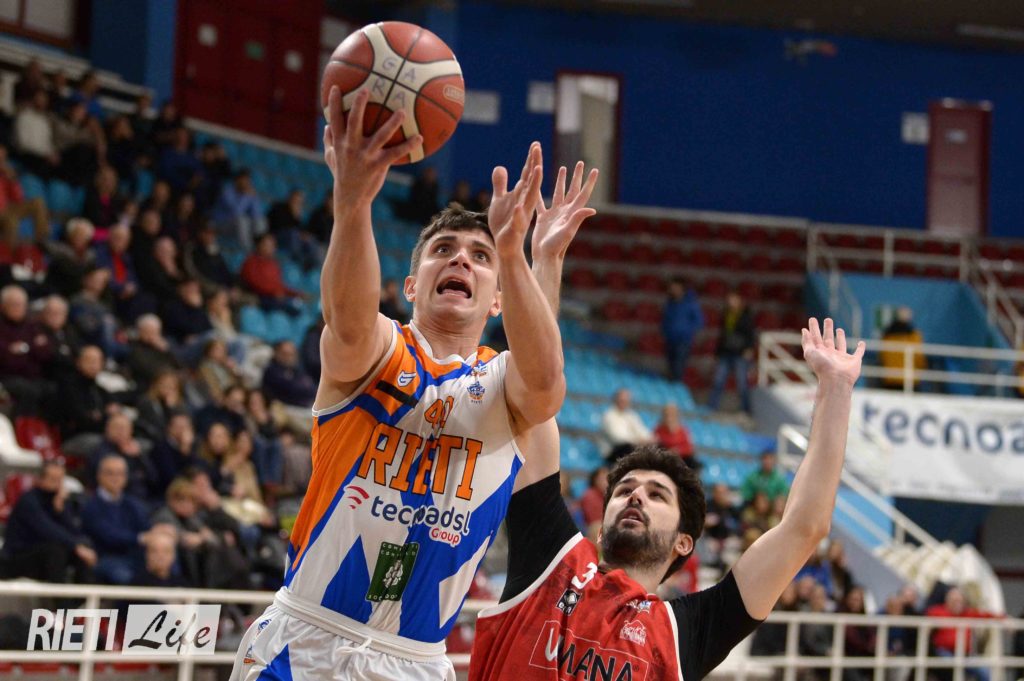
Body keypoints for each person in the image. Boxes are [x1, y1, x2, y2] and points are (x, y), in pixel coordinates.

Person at [230, 88, 581, 681]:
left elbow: (545, 383)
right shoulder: (379, 347)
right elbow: (346, 320)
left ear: (498, 299)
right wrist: (353, 201)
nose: (461, 260)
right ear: (412, 285)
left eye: (480, 256)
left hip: (413, 661)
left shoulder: (504, 384)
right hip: (303, 642)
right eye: (443, 250)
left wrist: (522, 255)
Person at [468, 318, 865, 680]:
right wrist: (535, 270)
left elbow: (804, 527)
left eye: (656, 495)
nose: (636, 495)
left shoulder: (686, 632)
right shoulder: (551, 565)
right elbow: (535, 395)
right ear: (601, 530)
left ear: (683, 542)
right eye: (624, 490)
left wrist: (836, 387)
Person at [0, 461, 96, 583]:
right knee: (57, 550)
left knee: (83, 548)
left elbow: (74, 533)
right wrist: (76, 547)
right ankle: (59, 594)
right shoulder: (28, 501)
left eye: (60, 480)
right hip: (17, 557)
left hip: (44, 556)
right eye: (52, 479)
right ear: (40, 479)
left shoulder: (59, 500)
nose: (57, 484)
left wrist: (62, 512)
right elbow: (47, 529)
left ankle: (84, 593)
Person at [81, 454, 156, 584]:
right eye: (110, 473)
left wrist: (157, 532)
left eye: (120, 474)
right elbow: (108, 535)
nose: (115, 478)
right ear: (99, 476)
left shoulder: (132, 504)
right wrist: (139, 538)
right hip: (106, 557)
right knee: (127, 577)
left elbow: (145, 526)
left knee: (163, 561)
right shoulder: (90, 505)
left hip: (134, 556)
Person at [0, 284, 53, 416]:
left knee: (53, 389)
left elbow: (46, 353)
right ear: (3, 306)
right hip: (7, 377)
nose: (18, 308)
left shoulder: (33, 325)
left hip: (33, 377)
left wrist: (23, 349)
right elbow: (7, 360)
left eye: (21, 304)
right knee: (28, 391)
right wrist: (32, 347)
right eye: (14, 304)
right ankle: (21, 425)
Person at [926, 586, 999, 681]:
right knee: (949, 667)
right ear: (947, 601)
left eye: (960, 601)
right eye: (954, 601)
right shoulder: (937, 611)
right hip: (944, 653)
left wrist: (1006, 620)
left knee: (984, 670)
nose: (957, 604)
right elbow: (924, 619)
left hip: (965, 655)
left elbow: (987, 615)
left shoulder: (968, 613)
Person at [708, 290, 756, 412]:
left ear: (739, 301)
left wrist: (749, 349)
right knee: (718, 380)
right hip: (726, 353)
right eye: (729, 300)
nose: (731, 302)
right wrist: (717, 353)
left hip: (740, 353)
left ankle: (746, 409)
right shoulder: (726, 315)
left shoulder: (746, 316)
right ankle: (712, 407)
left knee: (742, 384)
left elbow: (751, 335)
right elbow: (723, 335)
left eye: (733, 300)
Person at [0, 144, 49, 246]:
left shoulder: (5, 174)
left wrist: (12, 180)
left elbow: (18, 198)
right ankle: (9, 250)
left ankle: (41, 242)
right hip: (3, 212)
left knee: (38, 203)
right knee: (11, 219)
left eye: (3, 158)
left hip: (9, 208)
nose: (2, 162)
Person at [662, 278, 704, 381]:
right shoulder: (670, 303)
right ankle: (671, 385)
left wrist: (686, 331)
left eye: (675, 287)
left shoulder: (691, 303)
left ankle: (676, 386)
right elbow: (665, 319)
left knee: (678, 365)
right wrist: (665, 330)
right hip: (670, 339)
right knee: (671, 365)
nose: (673, 289)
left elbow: (699, 321)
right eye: (672, 287)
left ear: (681, 288)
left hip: (684, 340)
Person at [601, 387, 654, 462]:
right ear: (615, 400)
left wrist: (649, 439)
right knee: (628, 448)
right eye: (622, 400)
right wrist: (638, 441)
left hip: (631, 446)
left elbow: (641, 430)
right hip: (613, 451)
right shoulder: (609, 415)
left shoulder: (631, 415)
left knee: (656, 447)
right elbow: (617, 438)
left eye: (626, 400)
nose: (624, 402)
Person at [880, 306, 926, 390]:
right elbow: (919, 358)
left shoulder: (887, 336)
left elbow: (882, 357)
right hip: (909, 380)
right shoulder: (914, 336)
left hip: (890, 379)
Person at [654, 401, 698, 468]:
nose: (670, 417)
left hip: (682, 459)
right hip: (665, 459)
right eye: (667, 414)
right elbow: (656, 444)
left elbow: (689, 448)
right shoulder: (658, 429)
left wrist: (678, 450)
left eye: (672, 414)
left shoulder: (683, 430)